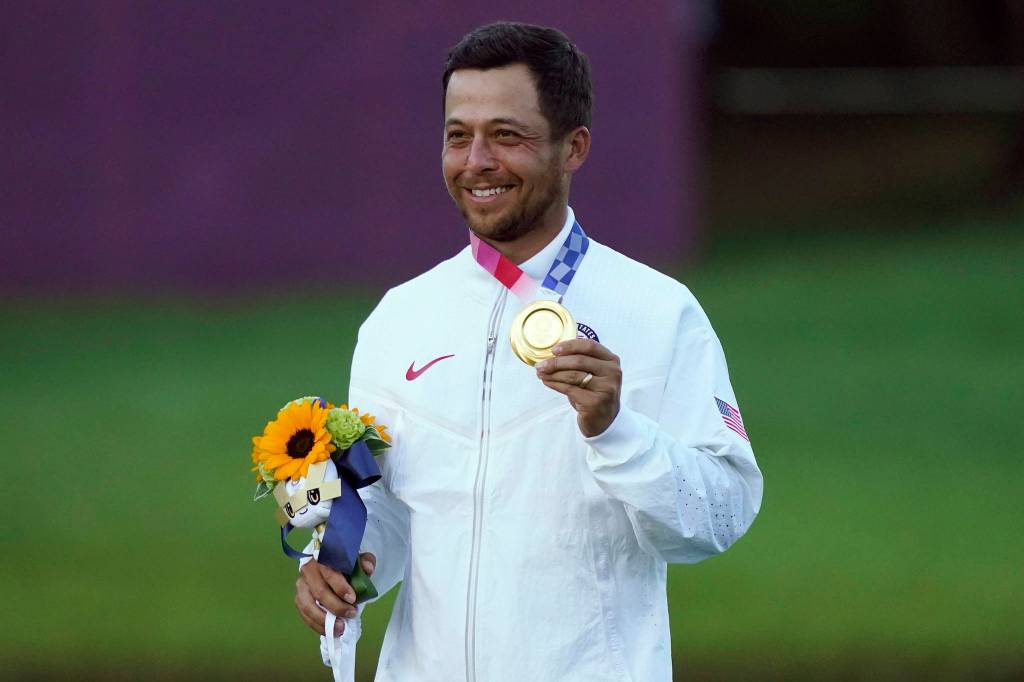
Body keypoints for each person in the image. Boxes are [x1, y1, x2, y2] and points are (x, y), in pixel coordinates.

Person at [294, 21, 763, 682]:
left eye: (507, 135)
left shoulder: (658, 312)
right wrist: (338, 565)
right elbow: (396, 515)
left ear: (574, 147)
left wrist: (616, 431)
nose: (477, 161)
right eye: (459, 135)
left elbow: (721, 515)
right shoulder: (399, 318)